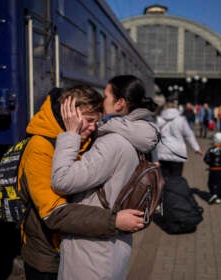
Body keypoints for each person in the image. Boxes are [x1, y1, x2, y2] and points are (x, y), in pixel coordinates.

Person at [18, 86, 145, 280]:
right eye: (89, 120)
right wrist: (114, 221)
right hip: (48, 257)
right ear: (69, 114)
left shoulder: (85, 139)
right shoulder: (40, 147)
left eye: (97, 121)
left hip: (76, 251)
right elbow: (55, 214)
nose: (94, 127)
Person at [50, 75, 160, 280]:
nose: (102, 100)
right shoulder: (135, 140)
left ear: (120, 103)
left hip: (92, 253)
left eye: (106, 95)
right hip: (113, 247)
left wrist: (71, 134)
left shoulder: (112, 143)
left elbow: (62, 180)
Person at [156, 96, 203, 178]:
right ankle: (175, 190)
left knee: (163, 178)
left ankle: (165, 190)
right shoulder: (181, 119)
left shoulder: (159, 119)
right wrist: (196, 148)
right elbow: (189, 135)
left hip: (162, 150)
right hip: (177, 152)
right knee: (176, 178)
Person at [203, 132, 221, 204]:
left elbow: (206, 159)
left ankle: (214, 194)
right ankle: (218, 197)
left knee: (211, 183)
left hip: (213, 169)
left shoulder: (211, 149)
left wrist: (211, 164)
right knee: (220, 183)